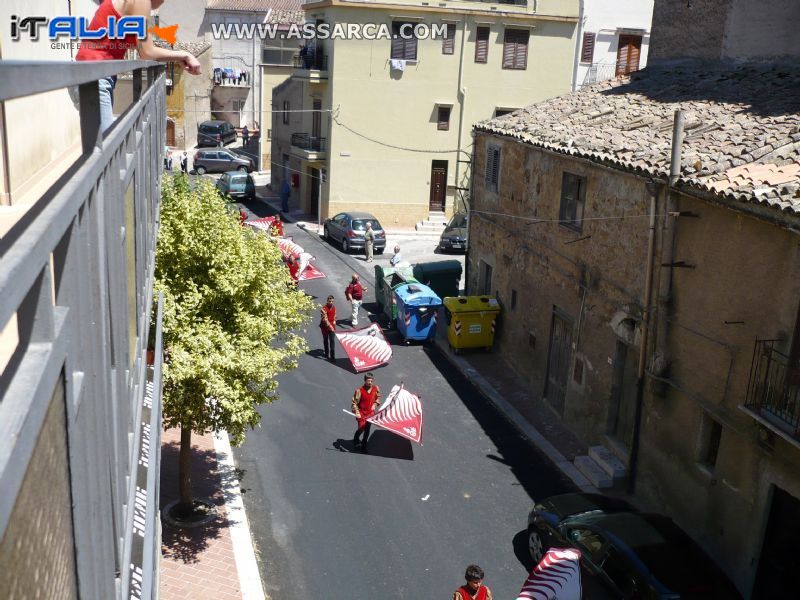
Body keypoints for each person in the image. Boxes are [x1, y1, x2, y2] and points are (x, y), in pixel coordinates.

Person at [74, 0, 201, 133]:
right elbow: (147, 52)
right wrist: (185, 55)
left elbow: (140, 47)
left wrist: (176, 57)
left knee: (103, 145)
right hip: (94, 77)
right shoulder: (141, 1)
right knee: (106, 148)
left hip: (91, 75)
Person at [352, 372, 381, 453]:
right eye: (368, 381)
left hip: (370, 414)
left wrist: (375, 404)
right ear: (365, 381)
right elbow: (354, 403)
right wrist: (357, 412)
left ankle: (363, 447)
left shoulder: (375, 388)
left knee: (367, 430)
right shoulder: (359, 391)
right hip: (361, 413)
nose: (370, 383)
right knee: (361, 429)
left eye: (371, 381)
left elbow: (378, 397)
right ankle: (356, 439)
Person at [320, 295, 337, 360]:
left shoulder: (334, 307)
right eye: (330, 301)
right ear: (327, 301)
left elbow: (335, 314)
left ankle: (332, 356)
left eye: (332, 301)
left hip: (332, 326)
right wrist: (330, 326)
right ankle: (326, 353)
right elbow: (325, 319)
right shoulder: (323, 309)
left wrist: (335, 320)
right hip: (324, 327)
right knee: (326, 340)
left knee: (332, 340)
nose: (331, 303)